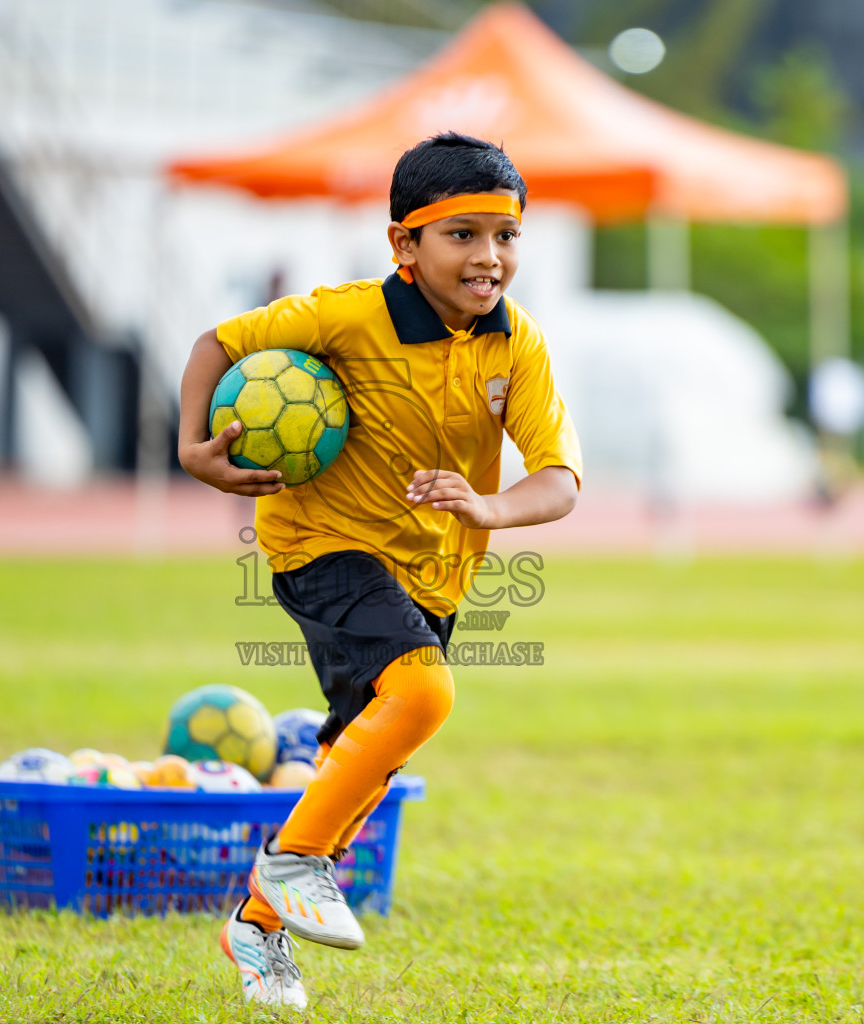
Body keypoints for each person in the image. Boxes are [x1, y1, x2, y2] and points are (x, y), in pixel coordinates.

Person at [178, 133, 582, 1008]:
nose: (489, 257)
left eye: (506, 236)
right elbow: (218, 342)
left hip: (432, 578)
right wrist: (193, 449)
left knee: (357, 764)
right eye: (462, 235)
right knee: (425, 697)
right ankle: (291, 864)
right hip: (321, 545)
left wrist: (492, 509)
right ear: (404, 244)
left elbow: (558, 479)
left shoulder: (519, 346)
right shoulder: (344, 316)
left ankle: (254, 924)